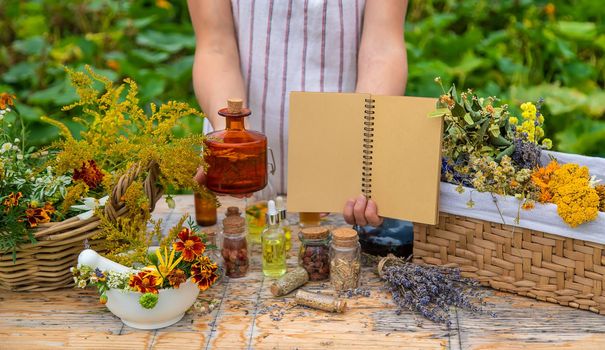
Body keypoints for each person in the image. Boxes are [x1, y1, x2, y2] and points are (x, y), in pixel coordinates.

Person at [188, 0, 408, 228]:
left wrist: (360, 153)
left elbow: (382, 48)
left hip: (344, 173)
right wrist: (231, 142)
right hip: (238, 169)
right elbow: (215, 47)